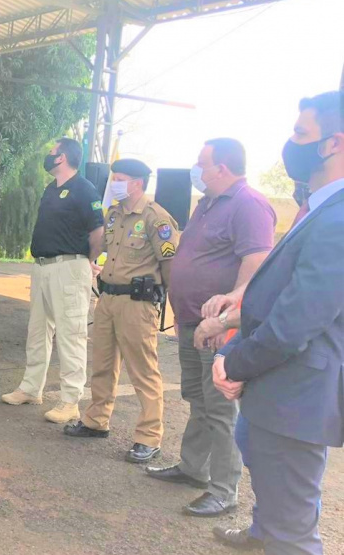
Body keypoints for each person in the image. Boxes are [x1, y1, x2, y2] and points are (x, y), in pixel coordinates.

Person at [211, 91, 344, 555]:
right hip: (277, 390)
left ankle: (276, 536)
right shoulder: (323, 208)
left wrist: (235, 363)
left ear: (333, 143)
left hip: (297, 399)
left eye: (301, 133)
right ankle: (261, 533)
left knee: (295, 533)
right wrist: (234, 350)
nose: (292, 143)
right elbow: (278, 296)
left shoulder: (339, 217)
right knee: (264, 467)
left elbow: (296, 320)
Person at [145, 138, 277, 517]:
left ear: (222, 168)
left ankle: (224, 490)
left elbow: (256, 267)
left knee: (219, 409)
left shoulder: (248, 204)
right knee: (197, 399)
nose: (196, 170)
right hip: (191, 321)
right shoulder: (206, 203)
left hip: (219, 325)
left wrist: (227, 318)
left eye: (202, 163)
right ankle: (193, 469)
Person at [62, 159, 179, 464]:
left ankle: (148, 437)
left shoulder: (156, 218)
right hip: (108, 299)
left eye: (120, 178)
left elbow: (170, 264)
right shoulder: (114, 214)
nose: (113, 183)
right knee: (102, 363)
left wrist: (168, 300)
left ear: (137, 183)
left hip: (137, 304)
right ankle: (96, 421)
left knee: (143, 371)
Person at [1, 138, 104, 423]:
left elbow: (98, 232)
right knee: (37, 331)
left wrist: (87, 261)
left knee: (71, 335)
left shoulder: (84, 189)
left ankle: (70, 401)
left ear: (63, 158)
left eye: (51, 153)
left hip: (69, 267)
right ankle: (31, 388)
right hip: (43, 266)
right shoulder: (50, 189)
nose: (48, 157)